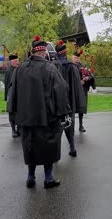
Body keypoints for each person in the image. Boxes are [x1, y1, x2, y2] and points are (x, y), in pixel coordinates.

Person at [7, 36, 71, 189]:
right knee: (48, 147)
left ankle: (31, 176)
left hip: (26, 118)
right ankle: (48, 178)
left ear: (32, 52)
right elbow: (61, 90)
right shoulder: (50, 68)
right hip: (47, 118)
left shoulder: (20, 69)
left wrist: (14, 113)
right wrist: (64, 112)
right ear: (43, 52)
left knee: (30, 147)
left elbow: (13, 92)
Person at [53, 40, 86, 157]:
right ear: (64, 53)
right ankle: (72, 148)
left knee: (56, 129)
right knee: (69, 126)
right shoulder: (71, 67)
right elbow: (77, 87)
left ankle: (56, 154)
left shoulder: (50, 66)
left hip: (55, 103)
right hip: (69, 102)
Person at [72, 49, 96, 133]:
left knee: (81, 108)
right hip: (73, 91)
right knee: (72, 109)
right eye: (75, 58)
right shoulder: (70, 66)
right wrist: (78, 82)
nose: (77, 59)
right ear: (72, 58)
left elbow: (91, 76)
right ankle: (71, 126)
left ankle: (81, 125)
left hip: (82, 90)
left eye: (78, 58)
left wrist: (86, 79)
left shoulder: (83, 66)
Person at [4, 53, 21, 138]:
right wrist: (6, 96)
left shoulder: (20, 69)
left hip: (20, 93)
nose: (17, 62)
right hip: (11, 93)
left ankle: (19, 129)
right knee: (12, 112)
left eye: (17, 61)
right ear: (11, 62)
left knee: (20, 112)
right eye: (15, 61)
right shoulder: (8, 71)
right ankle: (13, 130)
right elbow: (7, 84)